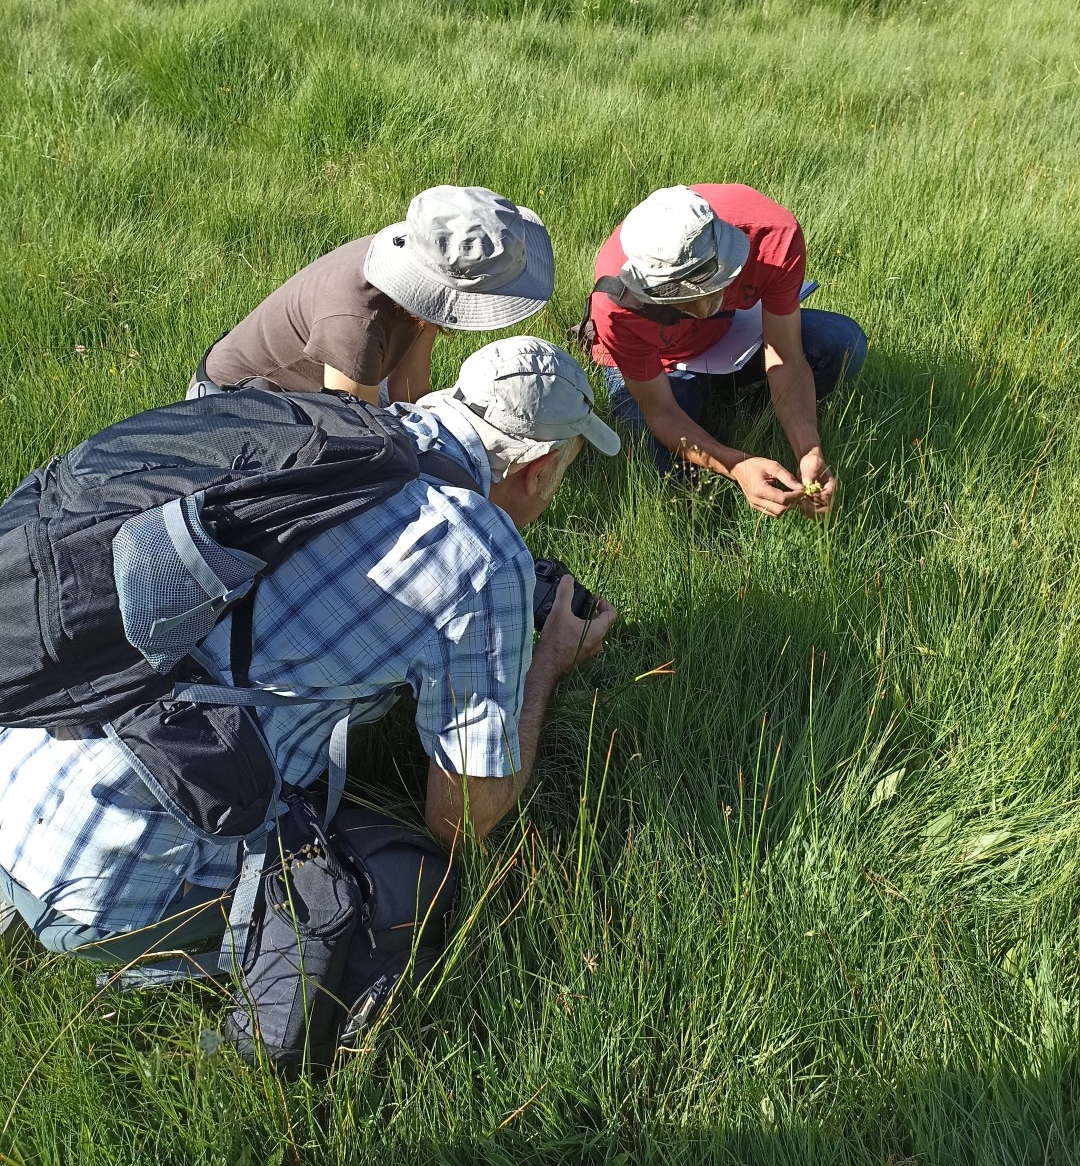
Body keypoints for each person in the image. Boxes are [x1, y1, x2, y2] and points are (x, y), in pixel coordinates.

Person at [0, 338, 619, 961]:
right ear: (539, 468)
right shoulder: (480, 559)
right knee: (407, 886)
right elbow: (462, 820)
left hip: (26, 749)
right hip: (108, 895)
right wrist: (548, 664)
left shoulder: (331, 426)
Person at [585, 184, 867, 518]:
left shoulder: (773, 236)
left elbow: (786, 357)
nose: (705, 307)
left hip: (733, 338)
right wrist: (737, 465)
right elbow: (660, 411)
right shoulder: (614, 302)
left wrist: (809, 449)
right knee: (655, 462)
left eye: (716, 283)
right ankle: (719, 407)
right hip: (660, 366)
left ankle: (738, 402)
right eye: (679, 298)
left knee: (841, 343)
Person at [187, 185, 555, 403]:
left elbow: (409, 387)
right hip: (238, 404)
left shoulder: (423, 264)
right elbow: (354, 441)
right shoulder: (357, 324)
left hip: (329, 383)